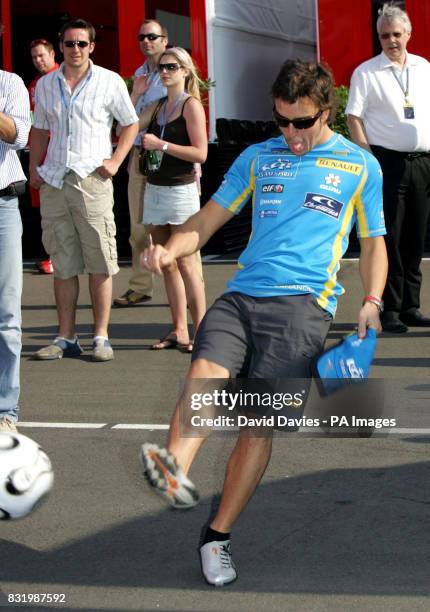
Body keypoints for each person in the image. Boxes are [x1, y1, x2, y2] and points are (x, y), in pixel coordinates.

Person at [139, 59, 388, 585]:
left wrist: (371, 299)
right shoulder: (258, 157)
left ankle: (217, 538)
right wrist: (169, 248)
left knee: (257, 425)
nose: (290, 134)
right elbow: (208, 219)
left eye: (301, 122)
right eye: (281, 121)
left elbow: (373, 243)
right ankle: (172, 470)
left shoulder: (360, 165)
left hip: (303, 308)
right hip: (243, 296)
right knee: (204, 376)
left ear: (328, 112)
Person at [29, 18, 138, 362]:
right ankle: (65, 337)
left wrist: (117, 159)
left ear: (92, 47)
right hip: (55, 181)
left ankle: (101, 337)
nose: (74, 49)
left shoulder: (109, 82)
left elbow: (131, 123)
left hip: (93, 180)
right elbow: (40, 131)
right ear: (60, 47)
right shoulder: (46, 84)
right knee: (62, 263)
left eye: (81, 44)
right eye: (68, 44)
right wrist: (33, 169)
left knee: (100, 261)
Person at [346, 3, 430, 333]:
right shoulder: (366, 72)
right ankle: (389, 308)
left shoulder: (424, 67)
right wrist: (368, 158)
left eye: (397, 34)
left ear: (408, 34)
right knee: (390, 237)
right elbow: (354, 117)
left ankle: (411, 305)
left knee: (416, 236)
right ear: (378, 37)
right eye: (384, 36)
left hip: (422, 162)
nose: (391, 40)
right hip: (387, 163)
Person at [139, 47, 207, 352]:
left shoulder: (191, 106)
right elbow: (124, 128)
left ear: (185, 71)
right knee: (166, 263)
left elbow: (201, 153)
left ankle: (202, 332)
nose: (164, 71)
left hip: (181, 191)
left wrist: (161, 145)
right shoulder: (155, 107)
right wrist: (135, 94)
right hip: (155, 188)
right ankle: (179, 329)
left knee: (188, 262)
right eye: (161, 67)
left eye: (171, 66)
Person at [112, 19, 168, 308]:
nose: (146, 41)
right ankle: (140, 286)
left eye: (152, 36)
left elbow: (171, 109)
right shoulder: (139, 73)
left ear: (164, 40)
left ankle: (182, 288)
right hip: (139, 153)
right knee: (137, 226)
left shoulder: (173, 68)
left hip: (165, 154)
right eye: (141, 37)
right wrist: (135, 93)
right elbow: (126, 115)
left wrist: (131, 123)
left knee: (173, 225)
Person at [0, 21, 31, 431]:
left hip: (3, 205)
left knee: (7, 316)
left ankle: (5, 411)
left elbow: (19, 135)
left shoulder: (11, 84)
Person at [28, 38, 59, 275]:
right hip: (40, 154)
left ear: (52, 54)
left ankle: (57, 257)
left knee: (59, 207)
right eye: (35, 57)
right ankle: (51, 255)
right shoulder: (35, 84)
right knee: (46, 210)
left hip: (58, 152)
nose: (39, 60)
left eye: (42, 55)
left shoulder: (62, 77)